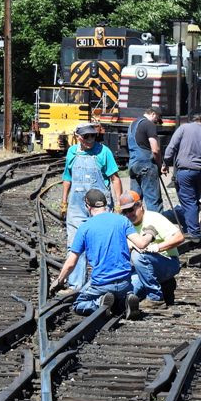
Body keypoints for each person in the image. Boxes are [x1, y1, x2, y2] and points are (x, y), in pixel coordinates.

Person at [51, 189, 140, 319]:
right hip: (124, 282)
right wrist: (150, 234)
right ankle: (126, 300)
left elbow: (71, 263)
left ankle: (99, 304)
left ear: (87, 206)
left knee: (78, 304)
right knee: (120, 295)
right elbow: (140, 243)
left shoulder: (85, 227)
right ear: (106, 203)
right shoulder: (122, 220)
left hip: (102, 283)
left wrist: (60, 281)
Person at [60, 123, 124, 290]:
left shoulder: (104, 152)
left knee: (102, 244)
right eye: (86, 136)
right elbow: (67, 178)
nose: (90, 140)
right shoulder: (72, 152)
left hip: (100, 206)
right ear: (78, 136)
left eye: (93, 136)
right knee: (74, 244)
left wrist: (118, 204)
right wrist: (64, 201)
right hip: (76, 206)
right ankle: (75, 286)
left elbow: (115, 178)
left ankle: (102, 283)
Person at [119, 190, 184, 309]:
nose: (128, 214)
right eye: (125, 211)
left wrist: (156, 247)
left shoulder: (154, 218)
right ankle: (164, 287)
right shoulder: (124, 224)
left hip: (167, 262)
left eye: (131, 209)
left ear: (140, 205)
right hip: (140, 270)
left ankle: (155, 298)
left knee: (138, 255)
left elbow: (180, 237)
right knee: (128, 292)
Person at [162, 114, 201, 243]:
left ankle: (194, 232)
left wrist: (165, 162)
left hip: (185, 172)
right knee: (194, 202)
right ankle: (189, 228)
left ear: (192, 121)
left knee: (188, 201)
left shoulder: (183, 128)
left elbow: (172, 146)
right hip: (200, 173)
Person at [127, 106, 164, 213]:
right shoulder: (149, 124)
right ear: (153, 114)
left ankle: (134, 227)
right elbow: (155, 149)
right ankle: (156, 228)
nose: (157, 122)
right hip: (146, 166)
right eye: (157, 118)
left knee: (134, 201)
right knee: (153, 201)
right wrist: (160, 165)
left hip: (133, 166)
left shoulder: (132, 124)